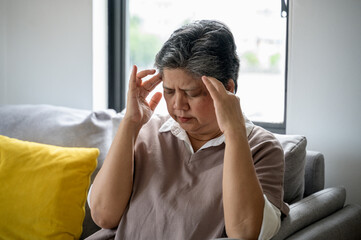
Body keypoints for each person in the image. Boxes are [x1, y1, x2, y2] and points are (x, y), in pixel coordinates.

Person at [87, 20, 289, 240]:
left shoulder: (261, 147)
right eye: (169, 91)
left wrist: (234, 134)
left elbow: (245, 233)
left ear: (228, 89)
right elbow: (103, 215)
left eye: (191, 93)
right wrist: (130, 124)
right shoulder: (149, 132)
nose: (178, 105)